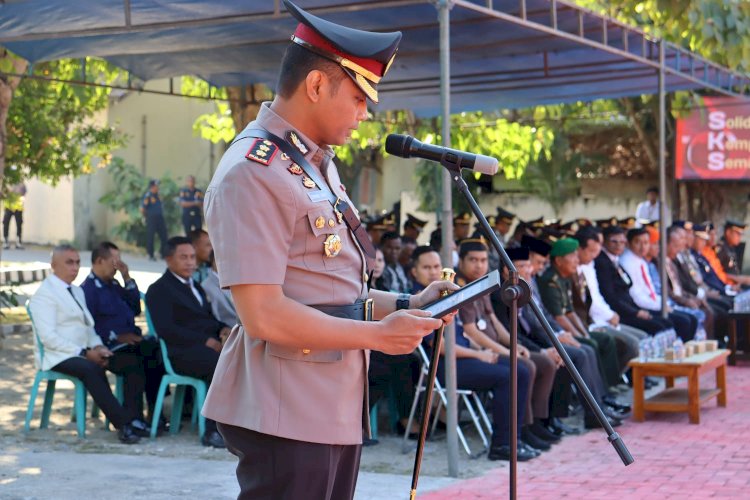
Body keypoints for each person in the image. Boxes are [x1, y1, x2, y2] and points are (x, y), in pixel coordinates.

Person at [201, 2, 455, 497]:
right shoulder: (254, 171)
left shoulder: (315, 163)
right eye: (359, 97)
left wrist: (409, 304)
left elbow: (333, 289)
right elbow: (264, 316)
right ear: (316, 86)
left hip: (328, 404)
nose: (365, 114)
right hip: (286, 409)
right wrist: (380, 337)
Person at [413, 244, 537, 460]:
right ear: (414, 272)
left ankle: (514, 440)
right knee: (508, 376)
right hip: (446, 366)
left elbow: (464, 332)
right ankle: (501, 445)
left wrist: (482, 349)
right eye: (426, 267)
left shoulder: (442, 294)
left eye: (436, 266)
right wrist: (478, 355)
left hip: (465, 357)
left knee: (521, 370)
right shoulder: (418, 300)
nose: (433, 272)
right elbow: (440, 347)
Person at [28, 244, 150, 444]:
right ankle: (123, 424)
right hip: (57, 355)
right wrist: (85, 353)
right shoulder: (45, 294)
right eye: (69, 262)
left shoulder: (76, 291)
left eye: (77, 262)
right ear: (53, 265)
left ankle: (134, 419)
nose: (75, 267)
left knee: (130, 361)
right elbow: (48, 338)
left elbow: (89, 327)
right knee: (92, 369)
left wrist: (98, 347)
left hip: (83, 351)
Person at [456, 238, 556, 456]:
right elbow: (472, 331)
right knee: (519, 370)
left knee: (525, 366)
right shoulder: (460, 287)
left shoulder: (480, 284)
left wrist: (513, 345)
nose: (478, 265)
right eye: (472, 260)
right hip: (467, 356)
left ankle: (523, 432)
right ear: (461, 261)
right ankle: (506, 441)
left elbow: (494, 322)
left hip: (485, 351)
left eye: (482, 260)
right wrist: (508, 352)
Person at [145, 236, 232, 448]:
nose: (190, 262)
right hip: (180, 353)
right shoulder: (159, 289)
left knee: (238, 358)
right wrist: (206, 340)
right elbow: (167, 330)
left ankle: (235, 426)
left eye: (192, 257)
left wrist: (222, 329)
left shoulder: (195, 286)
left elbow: (206, 319)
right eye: (183, 257)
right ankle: (212, 431)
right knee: (219, 365)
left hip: (202, 347)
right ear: (168, 259)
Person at [81, 241, 164, 427]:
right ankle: (133, 419)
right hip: (108, 348)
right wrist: (116, 337)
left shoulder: (114, 284)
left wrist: (127, 277)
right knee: (134, 364)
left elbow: (135, 308)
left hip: (131, 342)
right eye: (114, 260)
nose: (118, 265)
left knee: (157, 354)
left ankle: (156, 413)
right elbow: (88, 325)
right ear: (100, 261)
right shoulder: (88, 290)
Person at [536, 238, 626, 409]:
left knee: (602, 340)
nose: (577, 260)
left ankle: (604, 393)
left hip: (566, 331)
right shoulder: (550, 280)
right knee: (589, 346)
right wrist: (578, 336)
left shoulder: (565, 278)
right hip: (557, 332)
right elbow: (559, 317)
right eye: (572, 256)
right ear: (558, 260)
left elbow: (570, 312)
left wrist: (582, 332)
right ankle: (596, 402)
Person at [574, 228, 645, 377]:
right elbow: (590, 303)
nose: (594, 255)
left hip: (604, 317)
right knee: (631, 343)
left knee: (641, 338)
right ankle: (613, 381)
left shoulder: (589, 264)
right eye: (591, 251)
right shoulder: (576, 269)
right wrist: (609, 315)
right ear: (579, 249)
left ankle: (632, 378)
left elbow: (597, 296)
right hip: (592, 321)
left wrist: (610, 314)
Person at [595, 226, 677, 337]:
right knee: (661, 326)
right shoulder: (603, 263)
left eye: (622, 242)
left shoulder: (615, 259)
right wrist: (636, 312)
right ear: (604, 242)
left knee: (668, 323)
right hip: (621, 312)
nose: (619, 245)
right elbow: (611, 296)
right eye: (614, 241)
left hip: (631, 308)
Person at [619, 228, 698, 341]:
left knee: (691, 319)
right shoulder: (626, 262)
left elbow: (649, 290)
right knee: (681, 322)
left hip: (652, 303)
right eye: (638, 242)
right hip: (640, 307)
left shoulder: (640, 261)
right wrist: (661, 306)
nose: (642, 247)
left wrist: (663, 304)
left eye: (646, 243)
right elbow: (636, 295)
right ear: (629, 243)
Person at [202, 251, 239, 327]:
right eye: (221, 260)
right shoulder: (206, 286)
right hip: (228, 330)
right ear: (212, 261)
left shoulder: (236, 279)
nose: (225, 264)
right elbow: (214, 316)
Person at [141, 180, 169, 261]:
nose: (158, 187)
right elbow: (143, 208)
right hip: (151, 218)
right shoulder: (148, 196)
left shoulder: (158, 195)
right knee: (151, 237)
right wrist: (146, 217)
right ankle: (150, 254)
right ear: (152, 187)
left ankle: (162, 253)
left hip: (160, 218)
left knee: (164, 236)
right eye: (156, 186)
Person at [3, 182, 26, 249]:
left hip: (18, 207)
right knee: (6, 223)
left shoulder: (21, 183)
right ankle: (6, 241)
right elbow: (4, 193)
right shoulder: (8, 181)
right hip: (8, 207)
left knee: (19, 224)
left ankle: (18, 242)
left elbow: (24, 192)